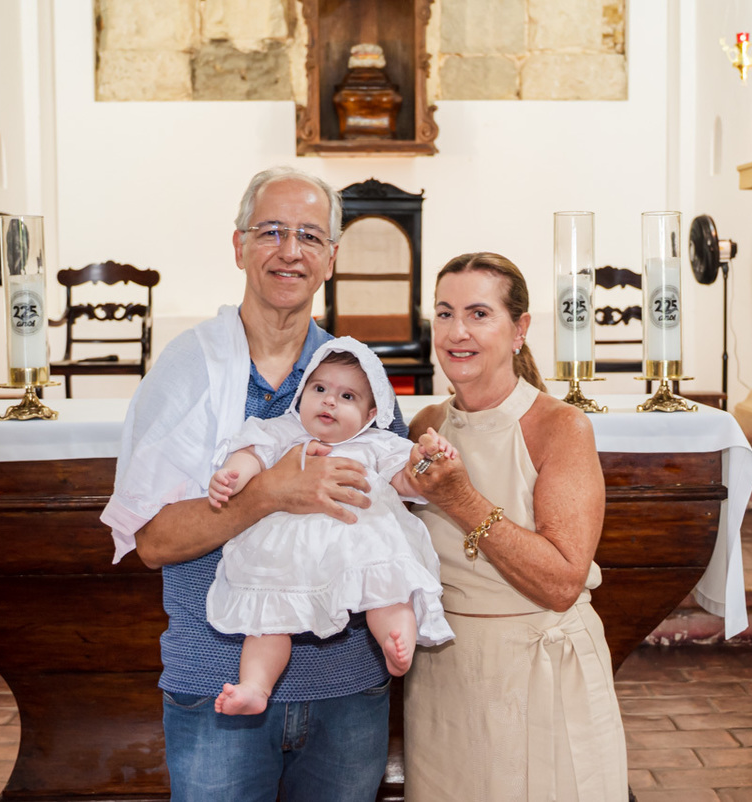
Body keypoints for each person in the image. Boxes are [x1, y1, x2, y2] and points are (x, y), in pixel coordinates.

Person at [101, 167, 408, 801]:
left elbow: (397, 504)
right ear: (239, 245)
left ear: (331, 257)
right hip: (218, 683)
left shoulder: (357, 379)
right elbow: (152, 542)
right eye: (270, 231)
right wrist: (270, 492)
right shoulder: (189, 372)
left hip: (347, 686)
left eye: (309, 235)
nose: (289, 250)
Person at [402, 252, 629, 801]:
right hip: (445, 676)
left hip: (539, 672)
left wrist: (461, 499)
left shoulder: (559, 427)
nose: (458, 331)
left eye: (479, 314)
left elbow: (560, 582)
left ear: (519, 329)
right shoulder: (426, 425)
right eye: (445, 312)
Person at [206, 338, 455, 716]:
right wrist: (231, 476)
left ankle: (397, 642)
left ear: (371, 413)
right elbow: (251, 453)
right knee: (267, 620)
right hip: (288, 553)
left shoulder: (374, 443)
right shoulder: (284, 431)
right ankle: (255, 687)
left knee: (390, 592)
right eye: (319, 389)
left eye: (347, 396)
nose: (329, 401)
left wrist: (426, 458)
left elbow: (407, 479)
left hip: (360, 544)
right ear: (302, 393)